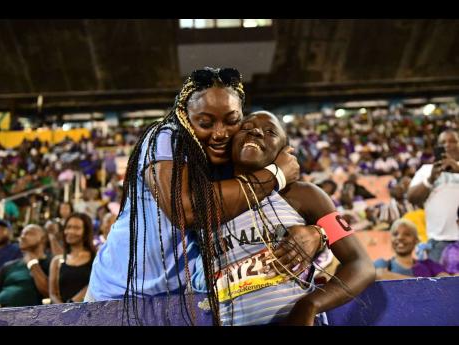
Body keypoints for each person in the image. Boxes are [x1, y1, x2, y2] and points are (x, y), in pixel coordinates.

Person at [86, 67, 322, 325]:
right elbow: (184, 211)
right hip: (119, 296)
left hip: (184, 301)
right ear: (185, 117)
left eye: (231, 121)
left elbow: (293, 210)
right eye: (205, 123)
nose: (220, 133)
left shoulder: (236, 157)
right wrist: (276, 174)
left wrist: (318, 235)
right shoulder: (165, 137)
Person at [191, 111, 375, 326]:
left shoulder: (304, 195)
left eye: (270, 132)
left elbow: (361, 264)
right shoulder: (209, 202)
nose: (257, 132)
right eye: (246, 127)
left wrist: (309, 306)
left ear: (284, 151)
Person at [407, 129, 459, 262]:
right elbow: (411, 198)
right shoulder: (426, 170)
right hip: (438, 243)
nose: (448, 145)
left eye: (453, 141)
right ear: (438, 147)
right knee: (439, 282)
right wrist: (430, 179)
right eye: (443, 142)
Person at [374, 219, 449, 280]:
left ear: (416, 240)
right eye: (395, 234)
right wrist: (425, 284)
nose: (400, 238)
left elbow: (446, 281)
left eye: (407, 234)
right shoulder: (382, 263)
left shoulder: (428, 265)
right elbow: (379, 275)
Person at [49, 213, 96, 304]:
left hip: (90, 312)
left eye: (76, 228)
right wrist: (63, 311)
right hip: (62, 314)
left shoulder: (96, 258)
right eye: (68, 227)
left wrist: (73, 304)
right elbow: (52, 294)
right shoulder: (57, 261)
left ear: (86, 232)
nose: (70, 231)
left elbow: (95, 285)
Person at [0, 224, 50, 307]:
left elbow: (48, 292)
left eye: (29, 233)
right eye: (22, 233)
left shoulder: (51, 263)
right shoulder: (8, 266)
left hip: (30, 316)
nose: (22, 237)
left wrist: (32, 263)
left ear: (43, 239)